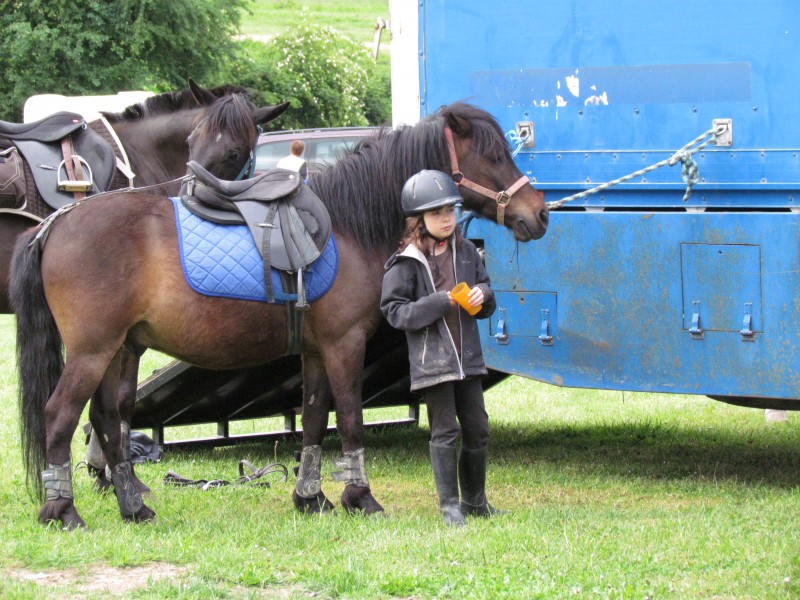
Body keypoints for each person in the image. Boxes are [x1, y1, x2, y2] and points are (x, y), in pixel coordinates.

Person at [380, 169, 506, 527]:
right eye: (437, 213)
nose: (447, 218)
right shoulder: (406, 262)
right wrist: (439, 303)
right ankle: (450, 507)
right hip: (432, 364)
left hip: (469, 360)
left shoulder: (466, 251)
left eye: (450, 210)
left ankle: (475, 503)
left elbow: (486, 292)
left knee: (478, 429)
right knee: (445, 432)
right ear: (418, 219)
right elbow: (394, 312)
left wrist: (484, 296)